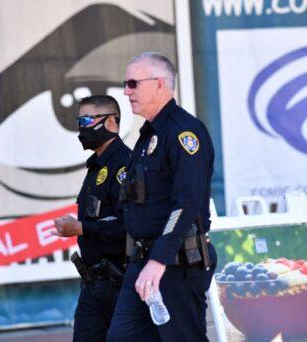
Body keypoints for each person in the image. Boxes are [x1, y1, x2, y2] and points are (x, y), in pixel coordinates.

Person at [107, 52, 217, 341]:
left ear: (159, 84)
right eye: (125, 83)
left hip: (175, 263)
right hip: (143, 263)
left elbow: (188, 202)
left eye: (133, 83)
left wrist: (159, 260)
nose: (125, 91)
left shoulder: (184, 133)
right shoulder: (148, 135)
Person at [53, 95, 131, 342]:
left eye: (87, 120)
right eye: (79, 121)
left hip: (120, 283)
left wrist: (80, 228)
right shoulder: (96, 166)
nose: (81, 127)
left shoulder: (124, 166)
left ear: (110, 122)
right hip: (92, 285)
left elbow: (127, 224)